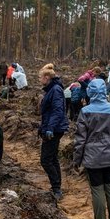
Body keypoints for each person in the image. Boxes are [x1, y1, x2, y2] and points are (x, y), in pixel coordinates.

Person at [73, 78, 110, 219]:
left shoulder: (85, 111)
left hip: (93, 158)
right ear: (105, 92)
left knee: (97, 190)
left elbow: (80, 139)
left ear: (90, 92)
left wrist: (77, 160)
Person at [39, 66, 70, 199]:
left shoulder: (55, 90)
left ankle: (57, 189)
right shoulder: (52, 89)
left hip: (54, 129)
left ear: (47, 77)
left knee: (46, 160)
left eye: (40, 77)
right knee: (52, 158)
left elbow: (57, 111)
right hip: (52, 127)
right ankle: (57, 187)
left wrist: (49, 128)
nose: (39, 79)